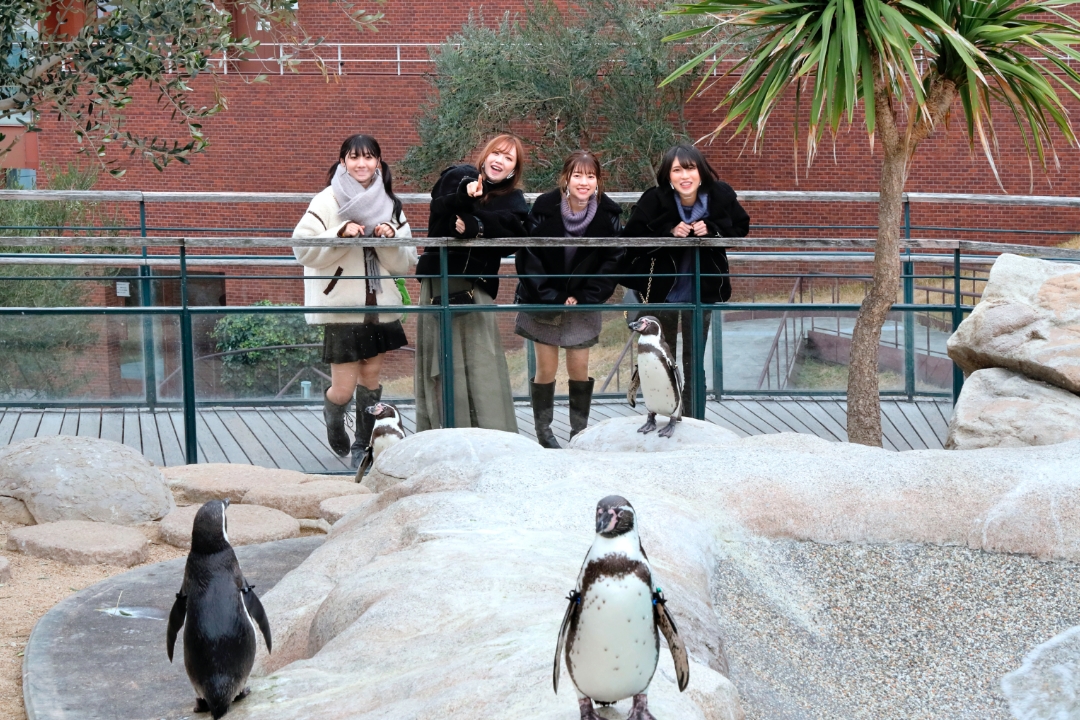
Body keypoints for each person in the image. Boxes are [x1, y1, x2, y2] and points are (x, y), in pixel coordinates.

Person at [293, 134, 417, 468]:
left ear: (379, 161)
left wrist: (389, 239)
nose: (361, 164)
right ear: (343, 161)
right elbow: (301, 248)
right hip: (342, 307)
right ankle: (334, 417)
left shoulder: (390, 204)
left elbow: (405, 261)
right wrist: (340, 234)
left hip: (379, 306)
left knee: (372, 379)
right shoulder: (326, 200)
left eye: (368, 157)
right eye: (353, 157)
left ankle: (363, 443)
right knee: (343, 389)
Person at [620, 144, 750, 413]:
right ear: (668, 176)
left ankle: (694, 419)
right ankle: (667, 415)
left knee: (693, 361)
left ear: (701, 171)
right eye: (676, 170)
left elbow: (741, 228)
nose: (684, 176)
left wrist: (712, 230)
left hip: (703, 292)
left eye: (689, 168)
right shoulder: (653, 200)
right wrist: (668, 232)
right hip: (661, 294)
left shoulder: (720, 195)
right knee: (662, 360)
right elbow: (630, 240)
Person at [413, 134, 528, 432]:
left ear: (514, 169)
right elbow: (441, 208)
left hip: (477, 288)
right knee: (441, 364)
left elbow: (512, 239)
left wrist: (477, 226)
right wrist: (466, 196)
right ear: (485, 155)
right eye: (496, 153)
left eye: (508, 158)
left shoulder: (513, 199)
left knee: (481, 363)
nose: (499, 161)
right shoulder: (458, 176)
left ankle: (489, 432)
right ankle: (444, 431)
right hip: (440, 281)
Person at [515, 150, 624, 448]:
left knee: (579, 368)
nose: (584, 181)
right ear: (566, 178)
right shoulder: (544, 208)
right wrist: (555, 296)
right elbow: (529, 256)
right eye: (578, 175)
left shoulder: (610, 215)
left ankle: (579, 433)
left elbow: (613, 261)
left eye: (590, 176)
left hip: (584, 303)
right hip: (544, 300)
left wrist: (585, 297)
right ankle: (544, 433)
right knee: (546, 369)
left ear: (598, 181)